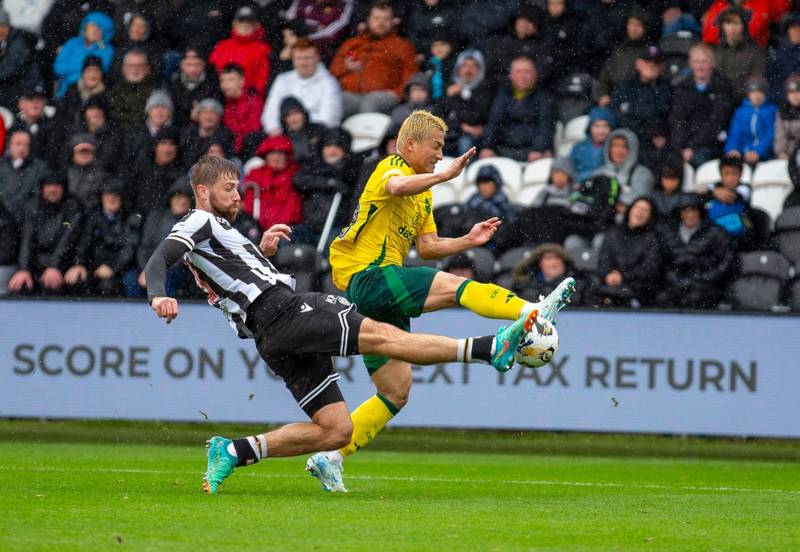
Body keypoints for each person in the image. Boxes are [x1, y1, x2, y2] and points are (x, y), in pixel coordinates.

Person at [144, 155, 536, 494]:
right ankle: (488, 348)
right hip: (286, 312)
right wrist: (158, 295)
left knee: (336, 430)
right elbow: (159, 259)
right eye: (228, 188)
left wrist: (262, 253)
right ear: (201, 191)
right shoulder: (198, 222)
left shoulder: (222, 230)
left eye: (238, 188)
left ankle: (234, 451)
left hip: (271, 335)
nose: (236, 195)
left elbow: (232, 277)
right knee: (385, 337)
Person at [320, 110, 575, 490]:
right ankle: (530, 309)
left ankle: (332, 457)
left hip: (373, 294)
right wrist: (442, 176)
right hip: (371, 276)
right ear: (409, 146)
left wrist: (467, 241)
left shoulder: (423, 194)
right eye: (435, 146)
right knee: (453, 288)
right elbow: (394, 187)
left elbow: (428, 247)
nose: (440, 154)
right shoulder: (391, 167)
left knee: (396, 390)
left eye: (442, 148)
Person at [329, 1, 417, 117]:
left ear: (392, 22)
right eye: (376, 18)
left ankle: (362, 134)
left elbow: (410, 75)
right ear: (369, 20)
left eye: (386, 19)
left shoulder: (402, 46)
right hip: (351, 94)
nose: (381, 23)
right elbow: (333, 71)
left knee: (370, 103)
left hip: (383, 95)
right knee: (334, 102)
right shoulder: (352, 43)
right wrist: (345, 67)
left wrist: (398, 94)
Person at [8, 171, 84, 296]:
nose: (53, 189)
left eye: (57, 185)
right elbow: (27, 240)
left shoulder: (73, 207)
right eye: (49, 185)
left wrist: (55, 266)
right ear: (42, 188)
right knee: (19, 285)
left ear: (63, 188)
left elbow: (67, 240)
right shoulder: (32, 206)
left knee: (52, 284)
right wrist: (24, 269)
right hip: (35, 265)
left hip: (64, 265)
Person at [657, 192, 734, 309]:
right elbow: (662, 261)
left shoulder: (716, 232)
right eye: (686, 211)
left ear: (700, 212)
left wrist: (704, 277)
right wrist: (676, 279)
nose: (690, 215)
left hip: (707, 286)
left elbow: (727, 260)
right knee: (662, 299)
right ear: (680, 213)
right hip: (675, 286)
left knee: (697, 299)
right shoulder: (669, 232)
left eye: (694, 210)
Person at [64, 179, 140, 296]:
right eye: (108, 194)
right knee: (75, 279)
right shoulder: (92, 216)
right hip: (94, 266)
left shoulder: (131, 217)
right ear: (102, 197)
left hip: (120, 269)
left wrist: (113, 267)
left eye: (115, 195)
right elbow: (84, 242)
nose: (111, 198)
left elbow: (129, 248)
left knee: (110, 285)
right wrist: (79, 264)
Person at [480, 56, 556, 162]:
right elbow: (493, 123)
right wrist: (487, 147)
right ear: (511, 75)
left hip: (532, 152)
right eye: (518, 71)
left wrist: (538, 149)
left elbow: (545, 127)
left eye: (527, 72)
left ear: (535, 75)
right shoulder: (502, 95)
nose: (522, 76)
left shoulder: (544, 97)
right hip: (503, 150)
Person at [292, 128, 361, 246]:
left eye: (338, 146)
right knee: (289, 238)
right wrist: (329, 183)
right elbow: (299, 180)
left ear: (345, 149)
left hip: (336, 227)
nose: (332, 150)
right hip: (309, 226)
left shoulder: (352, 169)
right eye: (328, 145)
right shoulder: (313, 165)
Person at [669, 42, 734, 168]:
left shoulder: (722, 87)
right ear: (690, 63)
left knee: (699, 160)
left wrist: (692, 147)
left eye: (704, 61)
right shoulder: (682, 87)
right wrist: (680, 146)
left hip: (711, 144)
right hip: (685, 144)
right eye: (696, 62)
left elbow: (716, 121)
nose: (700, 66)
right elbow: (677, 119)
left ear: (712, 63)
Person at [260, 38, 342, 136]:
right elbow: (270, 112)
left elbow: (328, 119)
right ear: (293, 59)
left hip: (317, 137)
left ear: (317, 57)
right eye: (299, 58)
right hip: (285, 134)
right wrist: (275, 130)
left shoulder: (329, 82)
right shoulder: (282, 79)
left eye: (307, 58)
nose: (303, 63)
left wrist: (301, 132)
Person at [596, 196, 663, 308]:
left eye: (645, 210)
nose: (640, 212)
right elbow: (604, 259)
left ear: (650, 216)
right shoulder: (613, 233)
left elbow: (650, 268)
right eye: (637, 207)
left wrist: (623, 276)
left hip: (639, 289)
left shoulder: (654, 238)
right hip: (610, 285)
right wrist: (609, 273)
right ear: (630, 210)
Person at [434, 49, 494, 156]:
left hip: (474, 138)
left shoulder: (485, 90)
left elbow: (476, 117)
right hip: (450, 133)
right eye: (465, 65)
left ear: (479, 70)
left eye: (473, 66)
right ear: (458, 69)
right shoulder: (450, 89)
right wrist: (462, 127)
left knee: (465, 144)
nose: (468, 70)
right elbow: (437, 116)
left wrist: (463, 98)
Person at [609, 45, 672, 143]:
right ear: (638, 64)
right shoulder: (625, 86)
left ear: (662, 67)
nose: (651, 65)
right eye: (647, 61)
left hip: (656, 142)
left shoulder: (667, 88)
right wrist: (643, 131)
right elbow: (616, 114)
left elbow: (666, 116)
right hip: (628, 139)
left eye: (656, 62)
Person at [242, 134, 302, 231]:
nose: (276, 157)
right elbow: (249, 203)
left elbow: (293, 208)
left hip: (284, 228)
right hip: (256, 227)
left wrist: (276, 228)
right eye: (272, 153)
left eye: (280, 153)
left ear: (286, 156)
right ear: (265, 156)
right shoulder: (255, 174)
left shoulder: (295, 175)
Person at [208, 6, 271, 98]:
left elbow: (263, 80)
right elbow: (212, 74)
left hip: (250, 100)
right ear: (234, 23)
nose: (244, 25)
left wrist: (245, 95)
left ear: (256, 25)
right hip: (221, 98)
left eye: (249, 22)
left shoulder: (264, 49)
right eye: (241, 21)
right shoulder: (221, 46)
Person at [52, 11, 114, 98]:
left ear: (105, 32)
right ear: (85, 26)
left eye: (100, 27)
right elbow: (58, 68)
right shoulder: (73, 42)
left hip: (90, 94)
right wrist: (83, 67)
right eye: (92, 25)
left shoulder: (107, 50)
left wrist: (69, 72)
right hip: (63, 93)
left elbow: (97, 73)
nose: (95, 30)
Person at [712, 6, 766, 104]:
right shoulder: (716, 51)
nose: (732, 28)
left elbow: (756, 80)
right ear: (722, 26)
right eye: (728, 23)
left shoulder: (755, 51)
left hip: (746, 102)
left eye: (736, 23)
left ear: (743, 26)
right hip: (719, 102)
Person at [597, 10, 650, 106]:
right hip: (614, 100)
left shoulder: (650, 52)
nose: (634, 28)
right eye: (631, 24)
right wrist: (604, 95)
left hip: (639, 102)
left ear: (645, 28)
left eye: (638, 25)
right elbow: (605, 78)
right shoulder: (618, 50)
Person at [511, 243, 589, 308]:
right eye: (549, 258)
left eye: (558, 258)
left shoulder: (579, 284)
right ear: (540, 263)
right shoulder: (524, 286)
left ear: (564, 263)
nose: (554, 262)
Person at [462, 164, 516, 251]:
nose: (484, 187)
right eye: (481, 183)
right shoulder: (473, 200)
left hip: (495, 247)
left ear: (496, 184)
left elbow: (510, 225)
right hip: (471, 244)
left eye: (488, 183)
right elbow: (463, 220)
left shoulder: (502, 202)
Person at [724, 77, 778, 165]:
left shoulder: (771, 111)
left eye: (760, 92)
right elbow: (735, 133)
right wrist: (733, 149)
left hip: (765, 155)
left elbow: (770, 134)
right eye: (753, 92)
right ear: (748, 94)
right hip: (742, 153)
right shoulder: (741, 112)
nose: (756, 96)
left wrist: (758, 151)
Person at [592, 129, 655, 201]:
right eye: (615, 145)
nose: (619, 150)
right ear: (608, 149)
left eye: (624, 146)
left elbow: (640, 203)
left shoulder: (643, 174)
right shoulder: (598, 173)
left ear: (632, 149)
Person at [167, 48, 223, 128]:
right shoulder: (174, 83)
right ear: (181, 65)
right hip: (181, 127)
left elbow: (217, 108)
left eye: (197, 64)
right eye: (189, 65)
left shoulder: (213, 82)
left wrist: (201, 115)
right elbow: (174, 112)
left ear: (204, 65)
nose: (193, 69)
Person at [0, 129, 48, 223]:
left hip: (27, 221)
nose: (22, 148)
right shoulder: (1, 166)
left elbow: (37, 196)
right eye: (18, 144)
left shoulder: (39, 168)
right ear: (9, 145)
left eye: (26, 144)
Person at [0, 9, 44, 108]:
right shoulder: (7, 40)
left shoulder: (20, 43)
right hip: (14, 85)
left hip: (27, 88)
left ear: (6, 27)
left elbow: (9, 68)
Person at [284, 0, 354, 60]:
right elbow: (288, 19)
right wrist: (290, 34)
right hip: (294, 44)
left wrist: (302, 41)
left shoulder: (344, 4)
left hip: (326, 53)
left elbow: (331, 34)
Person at [219, 63, 264, 156]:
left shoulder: (255, 102)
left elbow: (252, 131)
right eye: (222, 80)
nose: (225, 84)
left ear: (242, 81)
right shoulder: (223, 103)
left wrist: (234, 148)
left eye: (230, 80)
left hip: (249, 152)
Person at [106, 49, 157, 129]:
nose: (135, 69)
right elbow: (113, 116)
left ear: (147, 69)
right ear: (123, 69)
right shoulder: (114, 91)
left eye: (140, 65)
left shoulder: (156, 91)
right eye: (131, 66)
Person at [179, 98, 234, 168]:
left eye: (213, 113)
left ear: (219, 117)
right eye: (205, 112)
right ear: (198, 116)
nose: (208, 117)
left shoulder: (225, 136)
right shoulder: (188, 134)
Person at [570, 107, 616, 183]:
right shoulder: (578, 148)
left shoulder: (614, 147)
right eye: (596, 126)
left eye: (606, 126)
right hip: (581, 187)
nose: (601, 130)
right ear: (590, 127)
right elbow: (571, 171)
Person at [767, 14, 800, 104]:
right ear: (787, 30)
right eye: (793, 27)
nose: (797, 30)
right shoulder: (777, 53)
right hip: (781, 103)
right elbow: (772, 80)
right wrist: (786, 97)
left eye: (799, 27)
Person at [775, 75, 800, 159]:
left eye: (798, 91)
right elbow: (780, 135)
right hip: (790, 154)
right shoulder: (783, 111)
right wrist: (781, 152)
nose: (794, 95)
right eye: (791, 92)